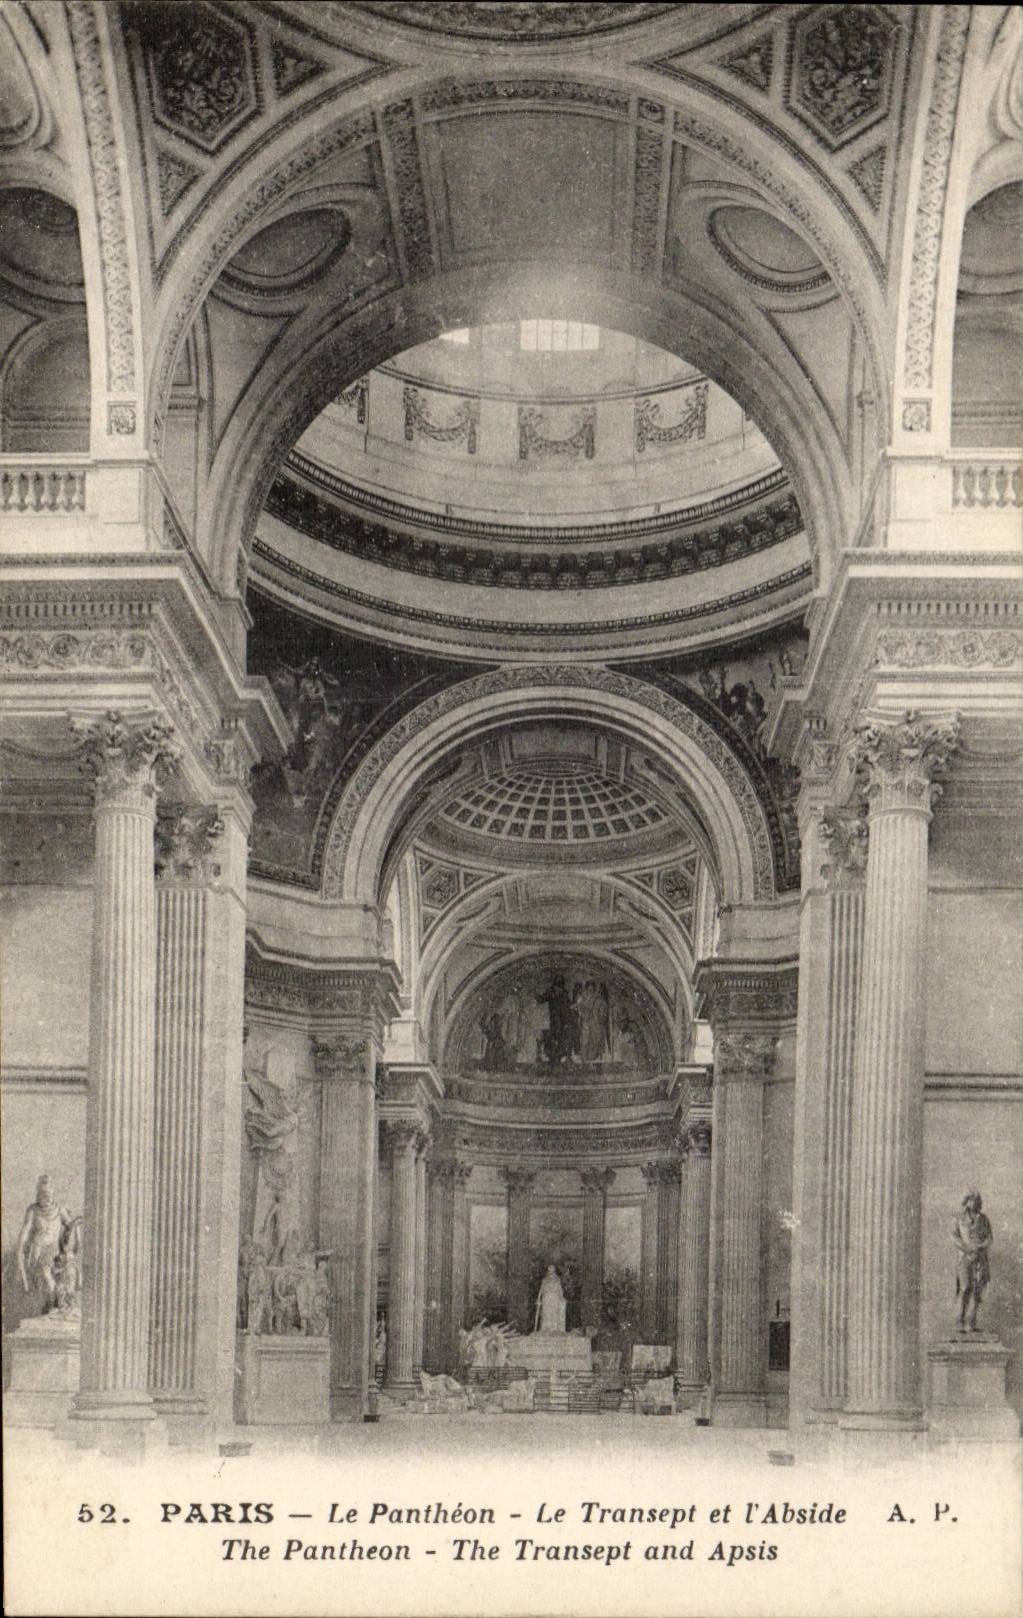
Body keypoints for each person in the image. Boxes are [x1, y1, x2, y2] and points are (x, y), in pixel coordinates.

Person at [15, 1175, 73, 1313]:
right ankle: (49, 1305)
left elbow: (71, 1226)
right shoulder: (33, 1210)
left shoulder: (60, 1209)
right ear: (38, 1194)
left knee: (49, 1273)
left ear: (52, 1193)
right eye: (42, 1193)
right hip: (37, 1250)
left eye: (48, 1194)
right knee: (42, 1276)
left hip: (55, 1250)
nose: (46, 1197)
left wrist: (69, 1244)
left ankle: (55, 1304)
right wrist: (19, 1249)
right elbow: (25, 1231)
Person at [953, 1190, 992, 1331]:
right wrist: (967, 1248)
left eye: (976, 1200)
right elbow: (954, 1237)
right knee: (965, 1288)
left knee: (977, 1291)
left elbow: (989, 1238)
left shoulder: (984, 1219)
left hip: (980, 1258)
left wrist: (980, 1247)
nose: (974, 1202)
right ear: (966, 1201)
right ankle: (959, 1321)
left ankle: (971, 1323)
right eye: (971, 1199)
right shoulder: (959, 1219)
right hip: (965, 1258)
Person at [534, 1265, 567, 1334]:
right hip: (546, 1298)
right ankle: (545, 1328)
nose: (551, 1271)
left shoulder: (557, 1280)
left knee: (554, 1312)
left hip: (554, 1298)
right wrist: (538, 1298)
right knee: (546, 1313)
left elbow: (560, 1290)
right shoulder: (544, 1280)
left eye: (552, 1270)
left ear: (554, 1271)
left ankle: (554, 1328)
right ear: (548, 1271)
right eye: (549, 1270)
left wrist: (562, 1297)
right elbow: (541, 1290)